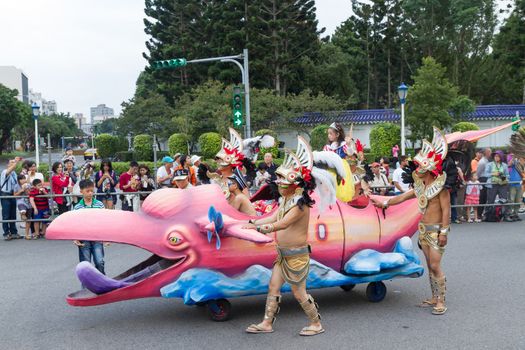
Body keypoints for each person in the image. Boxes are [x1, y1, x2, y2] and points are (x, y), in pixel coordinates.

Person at [244, 137, 324, 336]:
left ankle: (316, 324)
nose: (279, 183)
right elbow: (274, 216)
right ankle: (266, 323)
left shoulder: (301, 204)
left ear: (296, 185)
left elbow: (284, 223)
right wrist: (253, 222)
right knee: (273, 286)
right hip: (283, 255)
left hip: (297, 257)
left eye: (283, 180)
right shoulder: (287, 200)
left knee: (299, 293)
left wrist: (262, 230)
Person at [372, 127, 451, 315]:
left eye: (420, 167)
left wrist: (444, 233)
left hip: (437, 230)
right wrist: (384, 203)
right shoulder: (420, 187)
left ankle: (441, 301)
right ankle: (434, 297)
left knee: (435, 265)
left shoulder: (441, 188)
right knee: (429, 265)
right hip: (423, 229)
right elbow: (401, 198)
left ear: (429, 168)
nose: (417, 170)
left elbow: (447, 211)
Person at [73, 179, 106, 275]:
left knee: (100, 263)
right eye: (87, 191)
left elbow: (105, 221)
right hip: (83, 239)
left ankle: (103, 285)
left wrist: (107, 237)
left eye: (92, 191)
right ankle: (85, 289)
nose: (90, 193)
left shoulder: (99, 204)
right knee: (85, 266)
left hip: (97, 238)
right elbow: (74, 224)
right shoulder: (77, 207)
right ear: (81, 191)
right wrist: (75, 237)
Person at [484, 152, 511, 222]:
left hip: (502, 185)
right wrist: (493, 173)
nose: (496, 158)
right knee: (490, 200)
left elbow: (508, 175)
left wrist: (502, 176)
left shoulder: (504, 165)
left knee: (504, 200)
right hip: (492, 184)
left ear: (501, 157)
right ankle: (487, 215)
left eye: (498, 156)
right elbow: (485, 174)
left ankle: (506, 215)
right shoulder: (489, 164)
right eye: (495, 156)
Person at [1, 157, 22, 240]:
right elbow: (11, 168)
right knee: (6, 215)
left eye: (14, 162)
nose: (13, 164)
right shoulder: (4, 172)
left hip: (13, 195)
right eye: (11, 162)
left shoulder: (14, 173)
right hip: (5, 194)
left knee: (13, 214)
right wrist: (16, 162)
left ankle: (14, 232)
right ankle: (6, 233)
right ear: (8, 165)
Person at [14, 174, 32, 239]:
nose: (23, 180)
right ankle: (22, 214)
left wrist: (27, 189)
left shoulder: (28, 185)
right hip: (21, 202)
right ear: (18, 180)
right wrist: (21, 190)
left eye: (24, 178)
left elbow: (30, 193)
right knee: (23, 210)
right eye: (21, 179)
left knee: (28, 220)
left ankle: (27, 234)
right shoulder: (16, 186)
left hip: (29, 203)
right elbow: (14, 195)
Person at [476, 148, 491, 218]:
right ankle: (479, 214)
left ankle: (481, 213)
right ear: (486, 153)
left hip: (486, 179)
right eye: (489, 152)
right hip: (482, 179)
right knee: (482, 197)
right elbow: (478, 173)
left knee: (485, 197)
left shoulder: (486, 160)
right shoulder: (482, 162)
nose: (490, 153)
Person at [508, 156, 524, 221]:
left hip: (519, 184)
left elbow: (522, 169)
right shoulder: (514, 162)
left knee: (518, 200)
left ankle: (516, 214)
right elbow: (509, 164)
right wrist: (514, 157)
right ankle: (510, 214)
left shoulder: (521, 164)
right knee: (511, 199)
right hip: (512, 183)